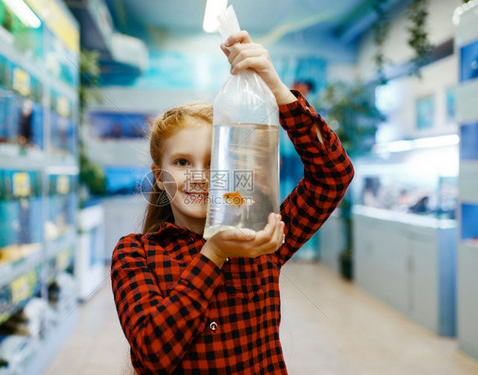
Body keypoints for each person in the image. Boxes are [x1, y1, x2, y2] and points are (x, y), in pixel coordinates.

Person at [111, 31, 355, 374]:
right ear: (160, 174)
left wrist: (279, 92)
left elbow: (333, 175)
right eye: (182, 162)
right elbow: (153, 354)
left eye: (214, 162)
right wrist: (214, 254)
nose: (199, 176)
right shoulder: (134, 253)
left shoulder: (261, 238)